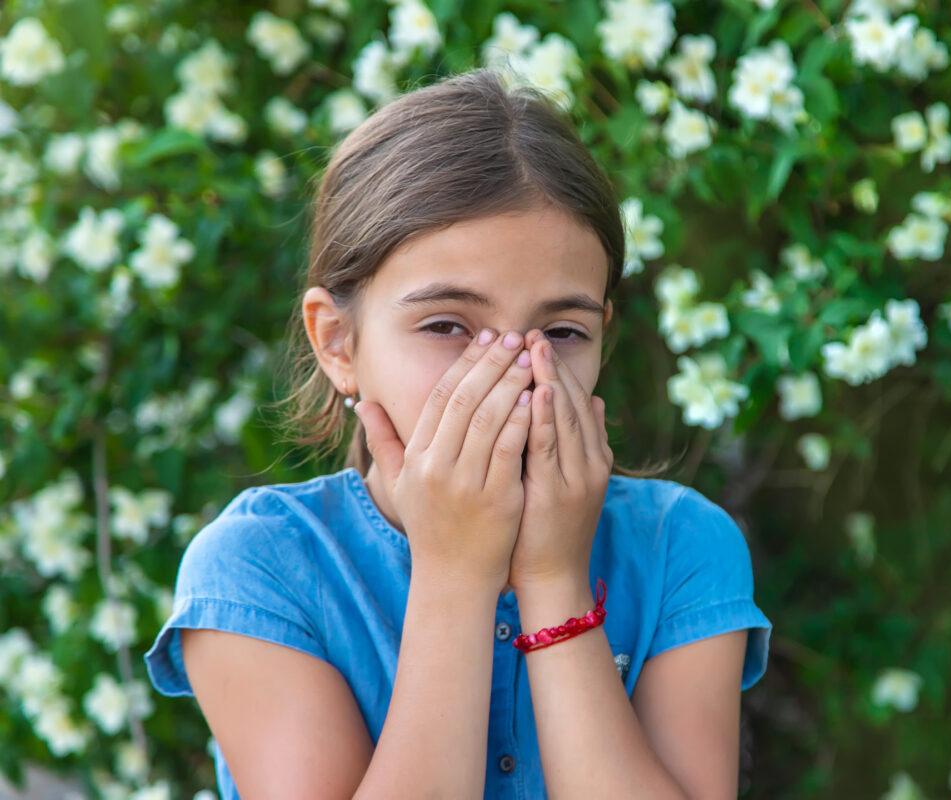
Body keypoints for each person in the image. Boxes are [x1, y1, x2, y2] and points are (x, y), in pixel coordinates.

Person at [144, 68, 772, 800]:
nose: (512, 374)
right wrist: (456, 575)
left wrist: (553, 580)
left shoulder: (681, 548)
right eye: (447, 326)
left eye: (562, 331)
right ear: (338, 343)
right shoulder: (259, 570)